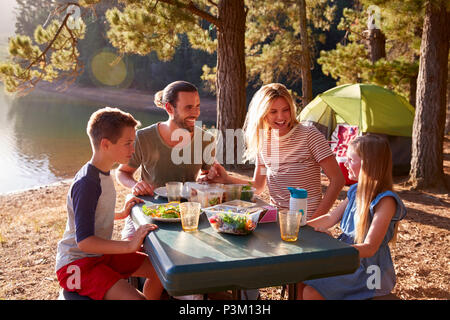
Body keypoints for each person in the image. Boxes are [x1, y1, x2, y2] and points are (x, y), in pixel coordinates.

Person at [55, 107, 163, 300]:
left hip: (99, 255)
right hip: (76, 265)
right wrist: (129, 245)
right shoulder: (87, 183)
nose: (133, 149)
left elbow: (90, 214)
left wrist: (120, 214)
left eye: (134, 142)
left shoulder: (103, 172)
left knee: (161, 271)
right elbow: (85, 241)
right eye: (128, 143)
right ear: (105, 144)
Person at [204, 83, 345, 220]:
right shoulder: (263, 139)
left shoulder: (309, 135)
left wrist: (314, 222)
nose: (281, 117)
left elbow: (337, 180)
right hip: (277, 222)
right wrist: (226, 179)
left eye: (286, 109)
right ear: (263, 114)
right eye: (273, 111)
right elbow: (258, 186)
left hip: (307, 221)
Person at [300, 134, 407, 299]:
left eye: (350, 159)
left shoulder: (385, 201)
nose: (344, 163)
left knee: (311, 292)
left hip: (368, 271)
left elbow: (370, 248)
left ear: (367, 164)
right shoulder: (355, 190)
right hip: (347, 259)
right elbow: (330, 218)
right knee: (300, 278)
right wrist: (300, 227)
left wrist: (333, 249)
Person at [116, 80, 215, 241]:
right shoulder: (143, 137)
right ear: (169, 108)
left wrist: (208, 178)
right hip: (147, 209)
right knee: (129, 248)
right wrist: (135, 185)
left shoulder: (206, 140)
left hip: (187, 212)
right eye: (188, 107)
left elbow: (208, 175)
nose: (196, 113)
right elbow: (122, 172)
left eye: (197, 106)